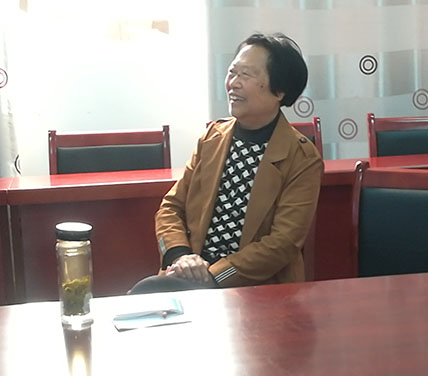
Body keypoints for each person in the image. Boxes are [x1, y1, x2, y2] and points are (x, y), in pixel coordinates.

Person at [131, 32, 323, 293]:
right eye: (232, 72)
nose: (233, 83)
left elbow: (282, 243)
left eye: (246, 75)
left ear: (279, 90)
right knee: (143, 297)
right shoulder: (212, 137)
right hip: (187, 274)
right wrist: (180, 256)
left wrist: (213, 276)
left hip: (256, 289)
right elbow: (171, 207)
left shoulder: (302, 157)